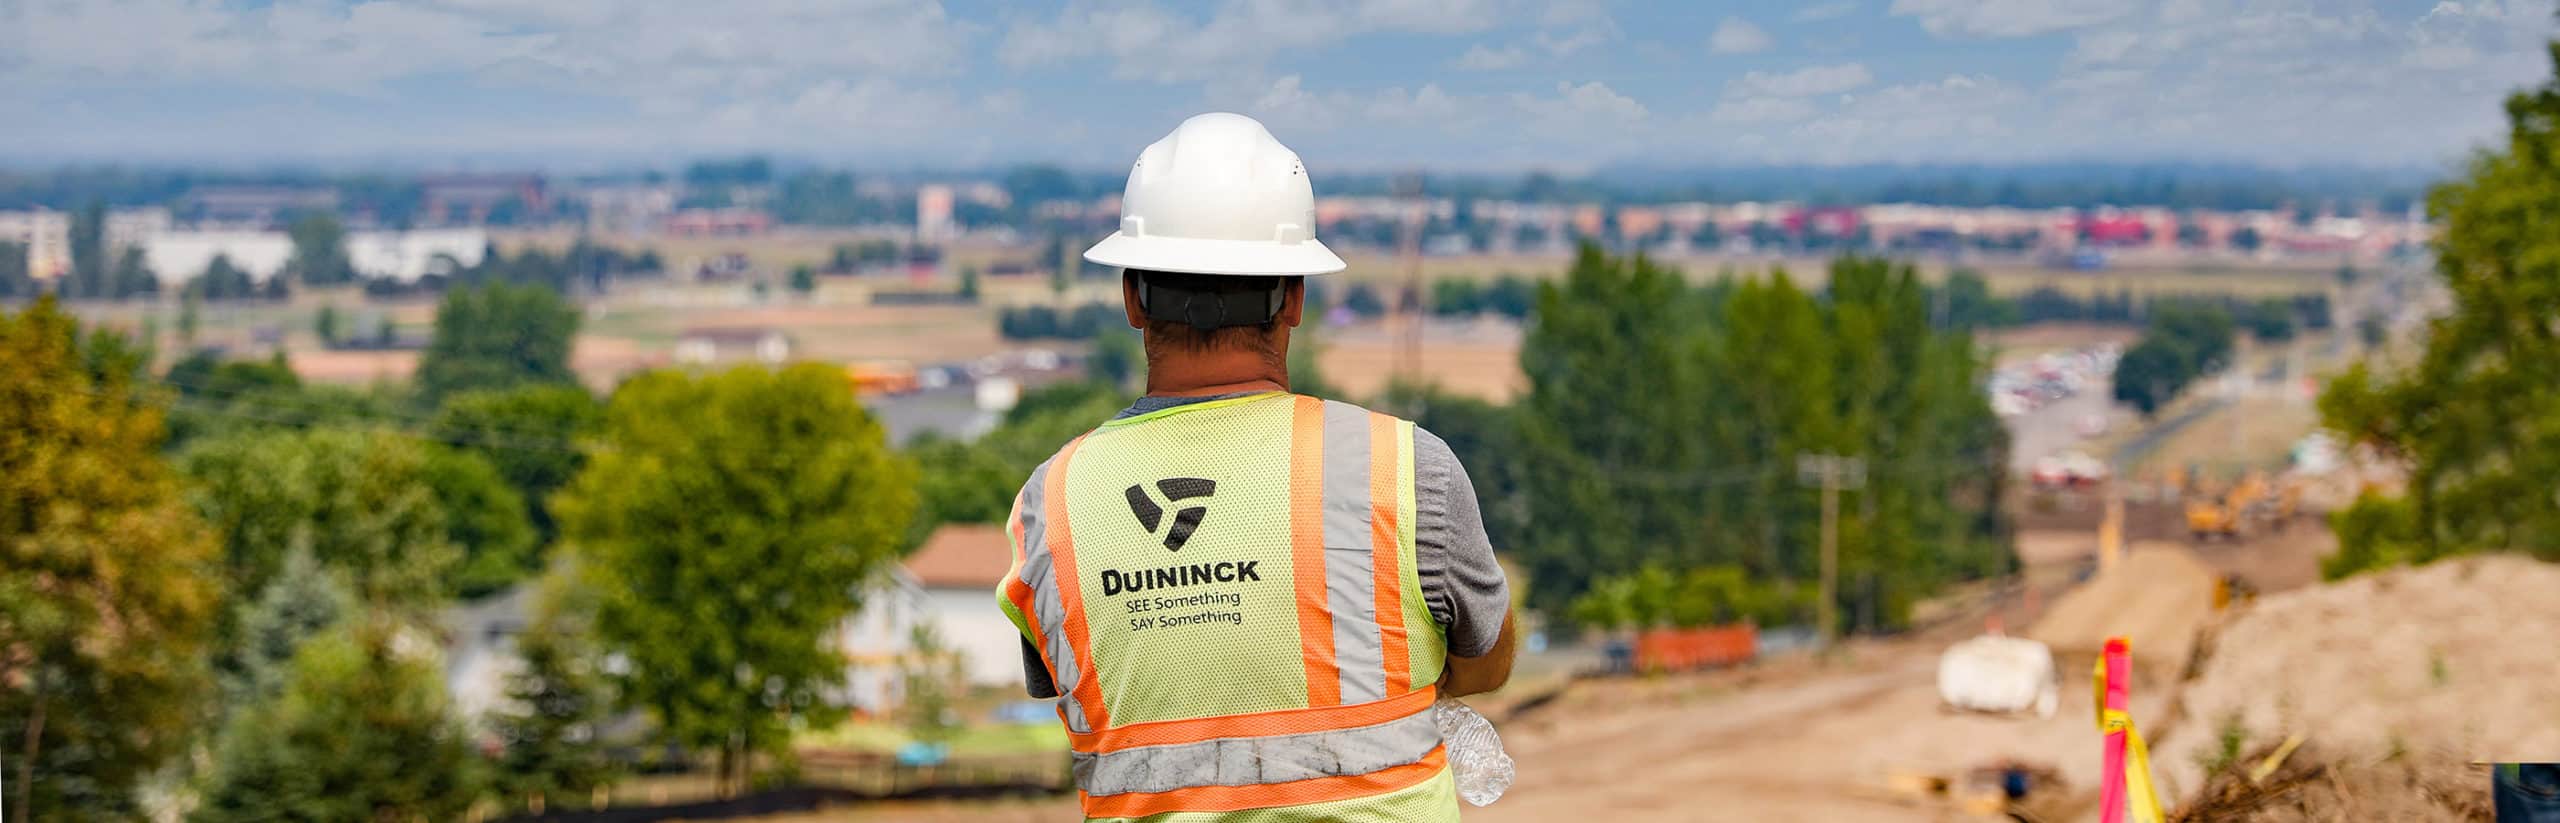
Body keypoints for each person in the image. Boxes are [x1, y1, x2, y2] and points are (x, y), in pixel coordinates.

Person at [996, 112, 1516, 822]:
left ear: (1130, 299)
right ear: (1294, 297)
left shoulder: (1048, 506)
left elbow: (1080, 689)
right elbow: (1487, 663)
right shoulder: (1404, 468)